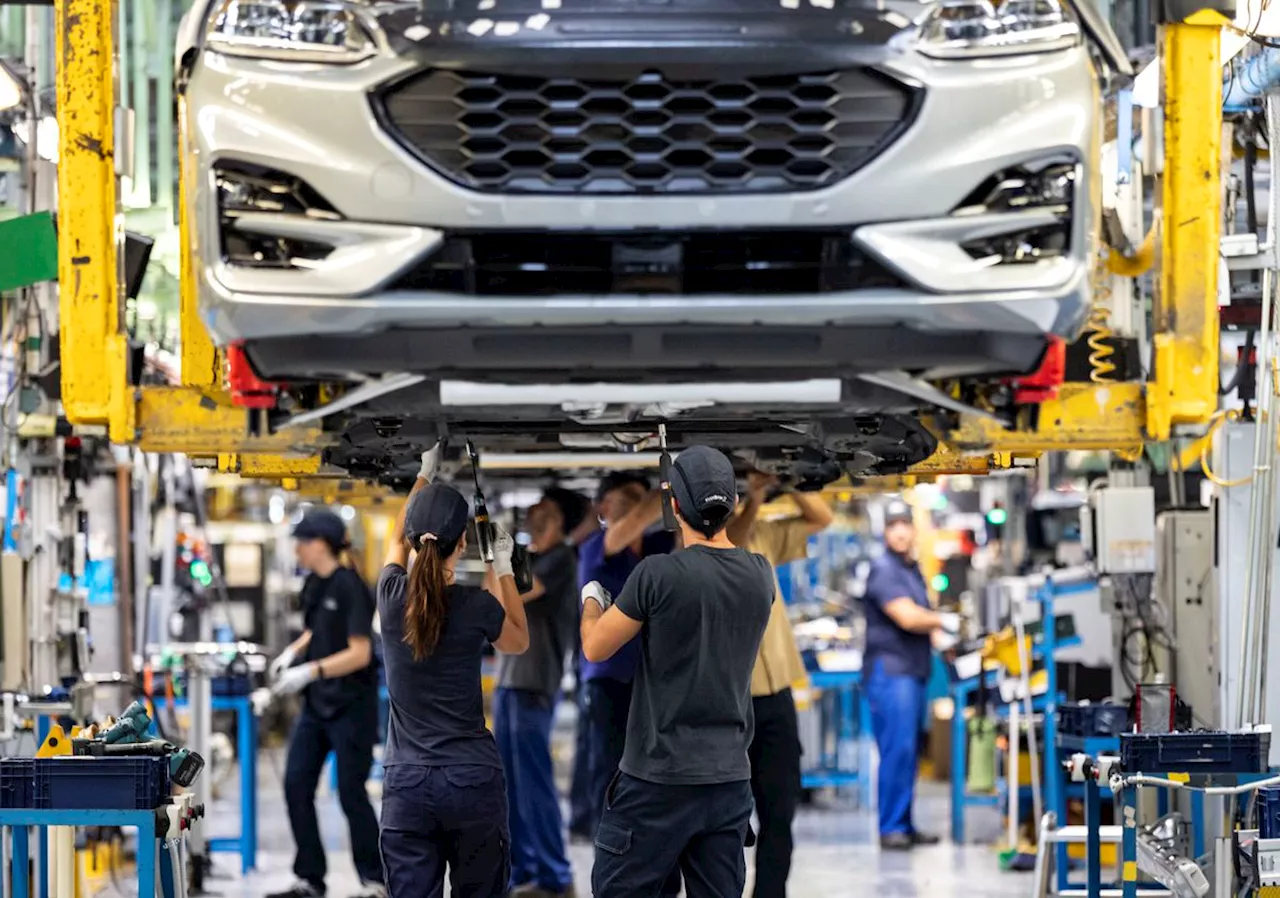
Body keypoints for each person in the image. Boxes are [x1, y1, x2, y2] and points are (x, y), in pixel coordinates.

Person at [581, 446, 774, 898]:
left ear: (674, 506)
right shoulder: (760, 574)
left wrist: (593, 596)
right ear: (730, 501)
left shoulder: (657, 574)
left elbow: (595, 647)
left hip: (657, 780)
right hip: (727, 781)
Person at [376, 447, 531, 897]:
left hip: (406, 783)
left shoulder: (391, 597)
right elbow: (518, 640)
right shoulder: (475, 605)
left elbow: (393, 539)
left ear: (410, 539)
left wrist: (425, 473)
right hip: (472, 781)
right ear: (461, 543)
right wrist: (499, 565)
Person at [726, 471, 834, 898]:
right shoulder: (704, 546)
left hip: (776, 698)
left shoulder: (764, 538)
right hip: (730, 705)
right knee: (726, 819)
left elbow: (822, 517)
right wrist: (752, 498)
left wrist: (786, 481)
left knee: (780, 811)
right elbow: (731, 538)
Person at [267, 509, 384, 898]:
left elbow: (360, 653)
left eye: (302, 542)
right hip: (318, 706)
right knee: (296, 784)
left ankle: (374, 881)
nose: (297, 550)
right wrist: (293, 653)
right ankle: (310, 879)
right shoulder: (315, 585)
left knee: (351, 793)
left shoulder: (351, 586)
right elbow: (315, 630)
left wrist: (311, 671)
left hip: (351, 705)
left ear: (319, 544)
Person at [491, 490, 584, 898]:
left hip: (534, 684)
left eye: (542, 510)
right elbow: (494, 594)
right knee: (509, 784)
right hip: (509, 682)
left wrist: (503, 559)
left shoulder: (561, 558)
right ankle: (524, 868)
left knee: (536, 784)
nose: (531, 514)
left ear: (560, 518)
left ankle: (556, 875)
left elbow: (513, 593)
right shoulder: (527, 557)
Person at [574, 473, 674, 838]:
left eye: (640, 496)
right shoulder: (597, 546)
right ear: (602, 507)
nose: (637, 502)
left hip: (653, 682)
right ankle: (613, 857)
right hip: (609, 681)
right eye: (626, 496)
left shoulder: (659, 544)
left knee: (657, 775)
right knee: (610, 772)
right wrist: (665, 487)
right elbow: (632, 523)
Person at [860, 500, 959, 851]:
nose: (900, 530)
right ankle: (890, 827)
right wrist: (945, 621)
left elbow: (922, 617)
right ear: (885, 531)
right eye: (893, 525)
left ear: (913, 529)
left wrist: (942, 638)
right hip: (891, 674)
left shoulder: (910, 568)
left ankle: (903, 822)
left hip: (911, 672)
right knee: (896, 751)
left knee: (910, 751)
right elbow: (907, 617)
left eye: (905, 523)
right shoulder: (884, 569)